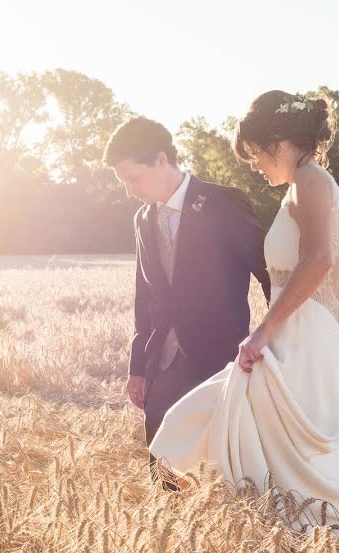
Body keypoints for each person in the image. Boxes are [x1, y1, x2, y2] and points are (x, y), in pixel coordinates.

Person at [149, 91, 339, 531]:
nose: (253, 164)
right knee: (203, 427)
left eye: (254, 153)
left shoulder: (312, 179)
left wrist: (264, 330)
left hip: (301, 341)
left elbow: (320, 260)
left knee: (263, 450)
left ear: (279, 141)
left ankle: (303, 551)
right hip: (301, 334)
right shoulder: (310, 184)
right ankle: (249, 532)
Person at [104, 116, 271, 490]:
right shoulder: (143, 219)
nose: (130, 190)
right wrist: (138, 366)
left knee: (223, 467)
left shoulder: (224, 203)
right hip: (161, 359)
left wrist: (281, 339)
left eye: (133, 178)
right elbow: (144, 295)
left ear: (161, 160)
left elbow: (268, 274)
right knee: (162, 462)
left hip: (220, 359)